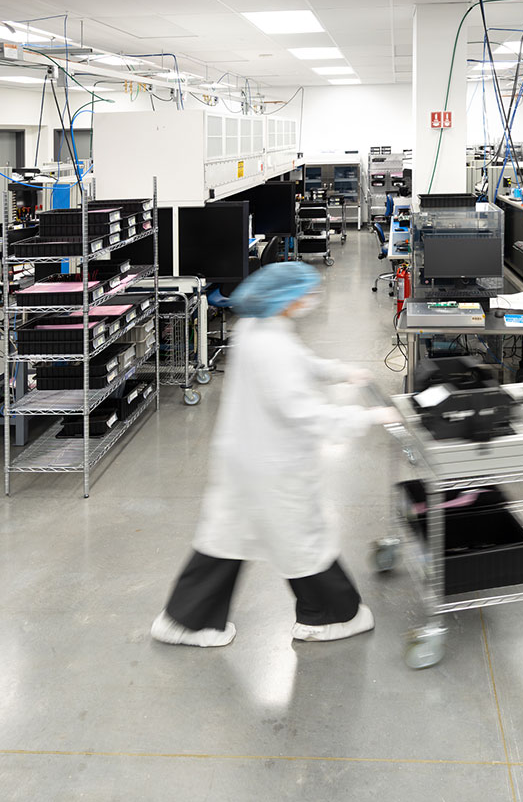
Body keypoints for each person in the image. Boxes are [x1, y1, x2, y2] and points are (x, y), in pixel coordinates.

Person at [151, 261, 396, 648]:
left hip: (244, 455)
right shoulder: (272, 344)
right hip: (273, 464)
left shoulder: (257, 325)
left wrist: (341, 372)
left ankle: (186, 621)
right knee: (301, 537)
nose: (311, 300)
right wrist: (364, 417)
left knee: (225, 539)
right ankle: (332, 616)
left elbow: (300, 362)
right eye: (305, 294)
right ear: (285, 299)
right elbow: (302, 412)